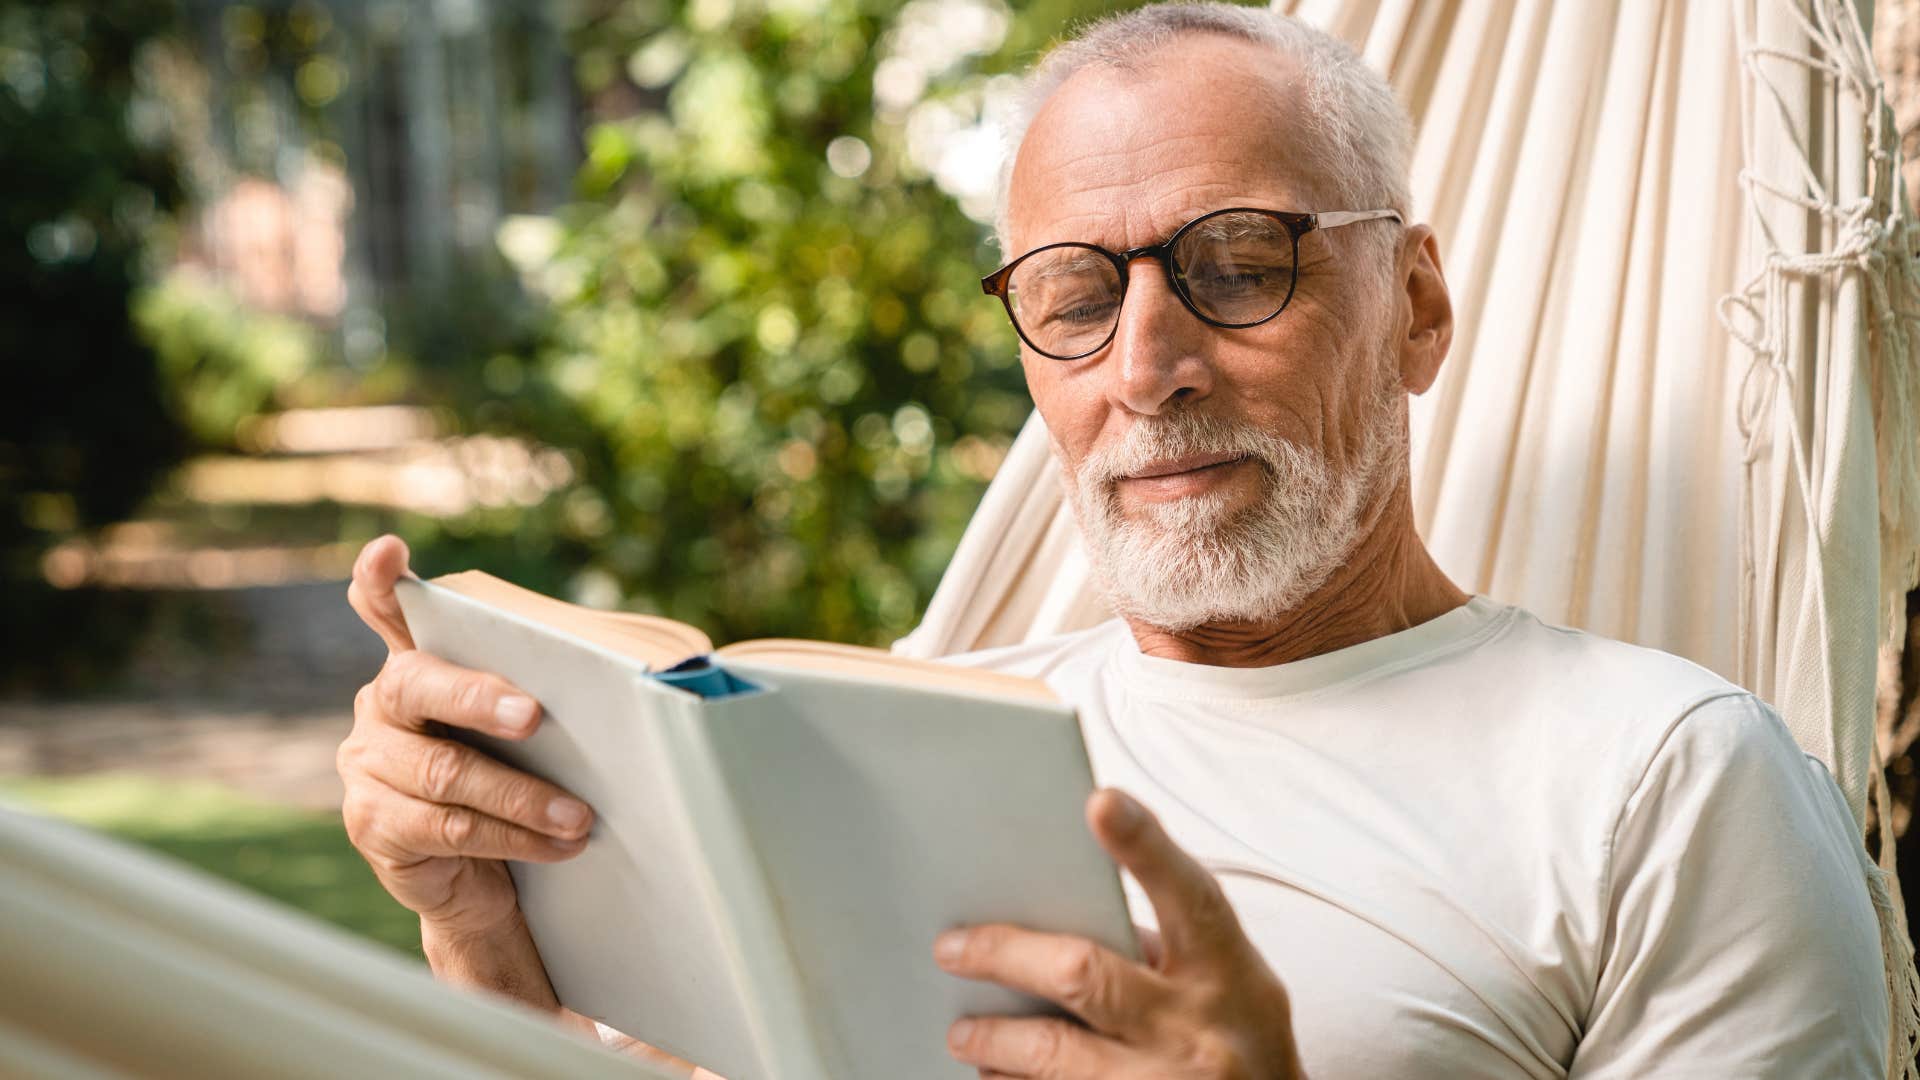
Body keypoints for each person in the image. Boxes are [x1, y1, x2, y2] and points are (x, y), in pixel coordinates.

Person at [338, 3, 1890, 1076]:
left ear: (1415, 304)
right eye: (1077, 296)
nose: (1147, 367)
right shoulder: (925, 719)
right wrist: (480, 928)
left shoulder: (1667, 779)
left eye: (1237, 263)